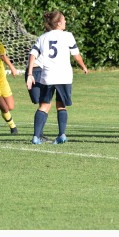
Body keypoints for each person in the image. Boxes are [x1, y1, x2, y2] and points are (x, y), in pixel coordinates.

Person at [27, 11, 88, 144]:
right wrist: (83, 66)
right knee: (61, 106)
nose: (65, 22)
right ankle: (61, 135)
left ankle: (36, 137)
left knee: (43, 105)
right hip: (64, 76)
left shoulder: (43, 37)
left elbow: (32, 54)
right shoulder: (68, 36)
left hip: (47, 76)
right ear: (59, 23)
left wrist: (30, 74)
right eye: (64, 20)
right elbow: (76, 55)